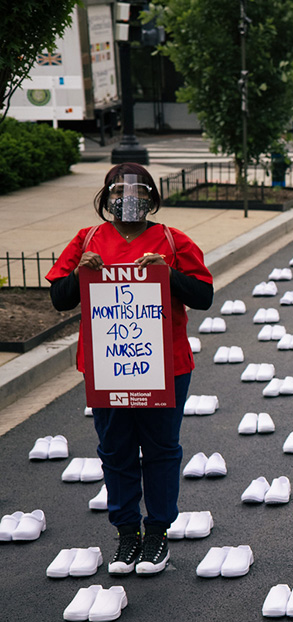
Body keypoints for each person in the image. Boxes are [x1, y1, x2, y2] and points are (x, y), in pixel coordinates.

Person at [45, 163, 213, 577]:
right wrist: (81, 271)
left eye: (137, 192)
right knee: (115, 449)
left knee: (160, 448)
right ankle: (126, 534)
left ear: (153, 197)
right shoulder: (87, 239)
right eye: (118, 191)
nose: (128, 199)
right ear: (106, 198)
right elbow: (60, 298)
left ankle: (157, 532)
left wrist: (168, 274)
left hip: (166, 365)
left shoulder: (173, 240)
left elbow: (204, 295)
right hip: (108, 365)